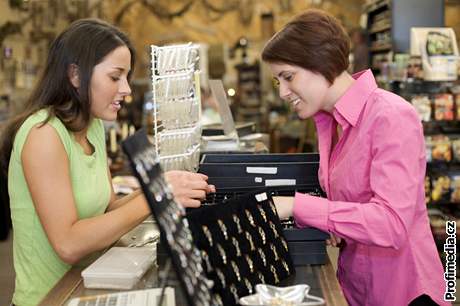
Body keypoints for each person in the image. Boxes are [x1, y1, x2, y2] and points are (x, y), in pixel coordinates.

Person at [0, 19, 214, 306]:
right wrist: (159, 195)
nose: (126, 89)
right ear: (75, 74)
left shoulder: (92, 127)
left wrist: (161, 186)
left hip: (87, 288)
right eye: (115, 77)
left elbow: (109, 208)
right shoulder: (44, 134)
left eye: (126, 77)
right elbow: (69, 244)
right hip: (52, 299)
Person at [262, 10, 447, 306]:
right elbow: (354, 205)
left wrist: (297, 205)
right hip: (357, 286)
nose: (283, 92)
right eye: (278, 81)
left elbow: (391, 224)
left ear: (319, 62)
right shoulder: (329, 122)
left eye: (288, 76)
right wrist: (335, 225)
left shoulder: (391, 116)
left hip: (404, 292)